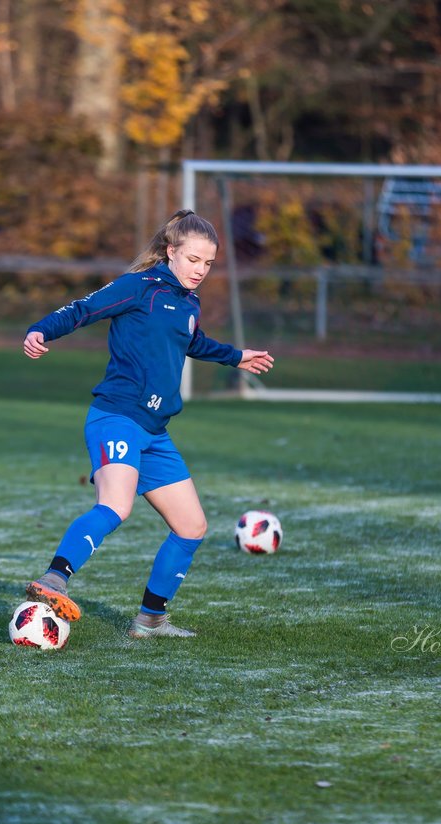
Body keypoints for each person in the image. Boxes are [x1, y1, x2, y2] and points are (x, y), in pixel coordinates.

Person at [21, 210, 274, 638]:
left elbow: (190, 339)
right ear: (171, 251)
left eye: (208, 264)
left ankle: (151, 620)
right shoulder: (140, 287)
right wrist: (41, 331)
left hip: (155, 431)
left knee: (192, 526)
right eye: (193, 259)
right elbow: (84, 309)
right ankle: (54, 578)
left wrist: (236, 356)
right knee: (116, 506)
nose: (200, 270)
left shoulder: (188, 302)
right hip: (117, 416)